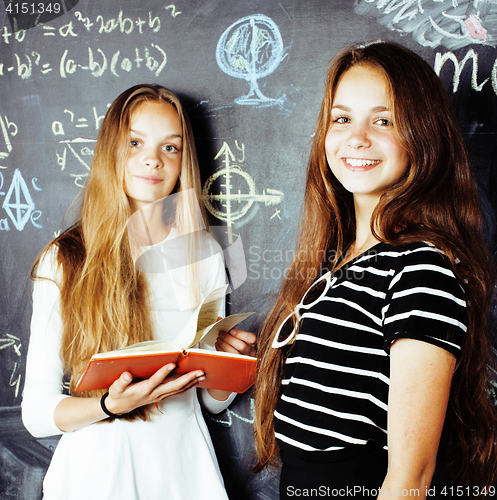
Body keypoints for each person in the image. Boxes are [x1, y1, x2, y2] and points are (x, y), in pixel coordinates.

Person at [253, 41, 497, 498]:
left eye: (383, 121)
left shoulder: (421, 267)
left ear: (421, 136)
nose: (357, 137)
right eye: (342, 118)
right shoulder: (338, 262)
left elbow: (410, 480)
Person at [21, 84, 256, 500]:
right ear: (111, 149)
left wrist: (227, 367)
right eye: (135, 143)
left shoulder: (203, 252)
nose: (153, 159)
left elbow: (208, 403)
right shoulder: (65, 259)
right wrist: (110, 406)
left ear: (184, 161)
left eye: (171, 147)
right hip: (96, 477)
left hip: (185, 475)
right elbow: (36, 413)